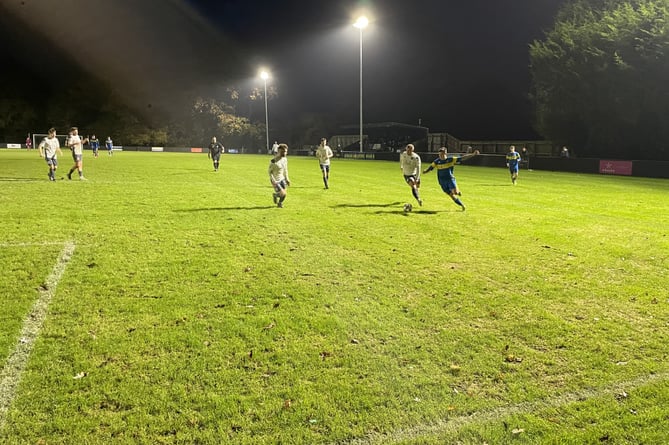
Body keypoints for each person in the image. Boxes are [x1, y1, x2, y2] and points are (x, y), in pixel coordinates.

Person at [422, 146, 479, 211]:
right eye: (439, 154)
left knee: (455, 192)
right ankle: (462, 205)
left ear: (445, 153)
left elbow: (462, 158)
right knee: (451, 195)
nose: (440, 156)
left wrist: (473, 154)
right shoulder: (437, 161)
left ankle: (457, 190)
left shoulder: (451, 159)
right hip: (442, 181)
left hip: (450, 179)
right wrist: (425, 171)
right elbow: (431, 168)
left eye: (442, 154)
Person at [268, 143, 290, 208]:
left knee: (284, 194)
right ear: (279, 151)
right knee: (283, 193)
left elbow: (285, 169)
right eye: (283, 151)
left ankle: (279, 202)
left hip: (282, 178)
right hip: (275, 180)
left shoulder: (285, 159)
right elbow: (269, 172)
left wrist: (287, 178)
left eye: (286, 151)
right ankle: (276, 196)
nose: (285, 153)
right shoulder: (273, 161)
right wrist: (273, 180)